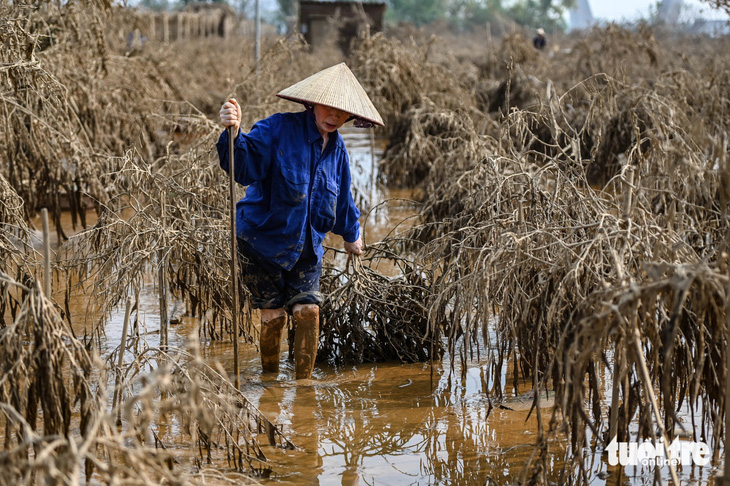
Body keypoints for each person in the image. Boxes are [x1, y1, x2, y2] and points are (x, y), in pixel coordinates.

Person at [217, 63, 384, 380]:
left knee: (309, 312)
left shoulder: (338, 150)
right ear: (312, 103)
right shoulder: (279, 129)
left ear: (350, 117)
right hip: (260, 242)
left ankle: (303, 386)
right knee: (275, 317)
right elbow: (244, 164)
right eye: (329, 108)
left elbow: (342, 199)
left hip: (307, 246)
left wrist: (352, 235)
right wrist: (234, 132)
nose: (334, 117)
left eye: (342, 112)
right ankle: (269, 381)